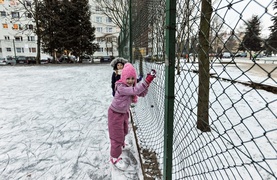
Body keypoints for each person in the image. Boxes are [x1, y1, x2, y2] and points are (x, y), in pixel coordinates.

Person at [108, 63, 156, 170]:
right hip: (115, 113)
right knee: (116, 136)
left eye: (132, 79)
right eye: (128, 78)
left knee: (124, 131)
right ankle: (114, 157)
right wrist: (146, 81)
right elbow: (136, 90)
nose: (130, 81)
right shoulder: (121, 87)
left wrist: (147, 84)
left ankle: (121, 144)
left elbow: (142, 93)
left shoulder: (132, 87)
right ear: (123, 78)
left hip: (124, 112)